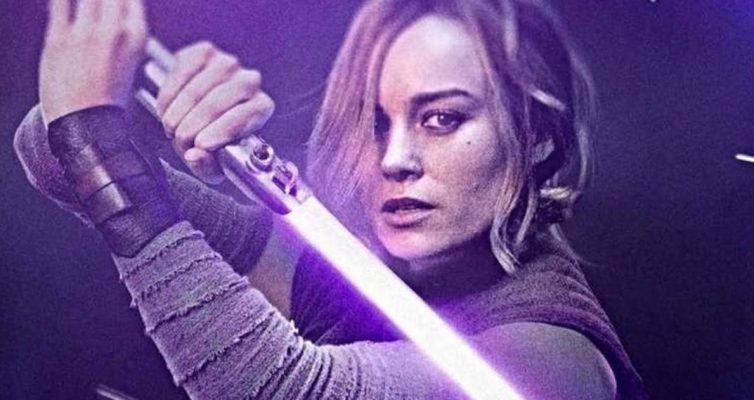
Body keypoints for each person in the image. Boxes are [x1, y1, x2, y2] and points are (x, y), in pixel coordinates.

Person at [14, 0, 648, 398]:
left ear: (536, 137)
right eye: (375, 123)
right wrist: (161, 106)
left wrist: (95, 132)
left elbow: (283, 389)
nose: (394, 158)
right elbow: (52, 151)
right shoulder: (375, 271)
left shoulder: (556, 363)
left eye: (442, 119)